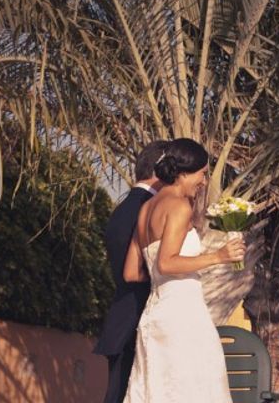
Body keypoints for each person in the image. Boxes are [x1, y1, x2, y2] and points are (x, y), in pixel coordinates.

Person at [122, 138, 245, 403]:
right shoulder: (179, 206)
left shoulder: (145, 209)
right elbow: (167, 262)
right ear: (184, 172)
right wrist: (218, 256)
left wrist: (160, 279)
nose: (203, 182)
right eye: (202, 174)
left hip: (154, 315)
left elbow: (131, 272)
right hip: (182, 316)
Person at [93, 141, 168, 403]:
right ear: (162, 169)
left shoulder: (123, 208)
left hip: (123, 317)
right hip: (137, 321)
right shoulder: (148, 211)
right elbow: (136, 271)